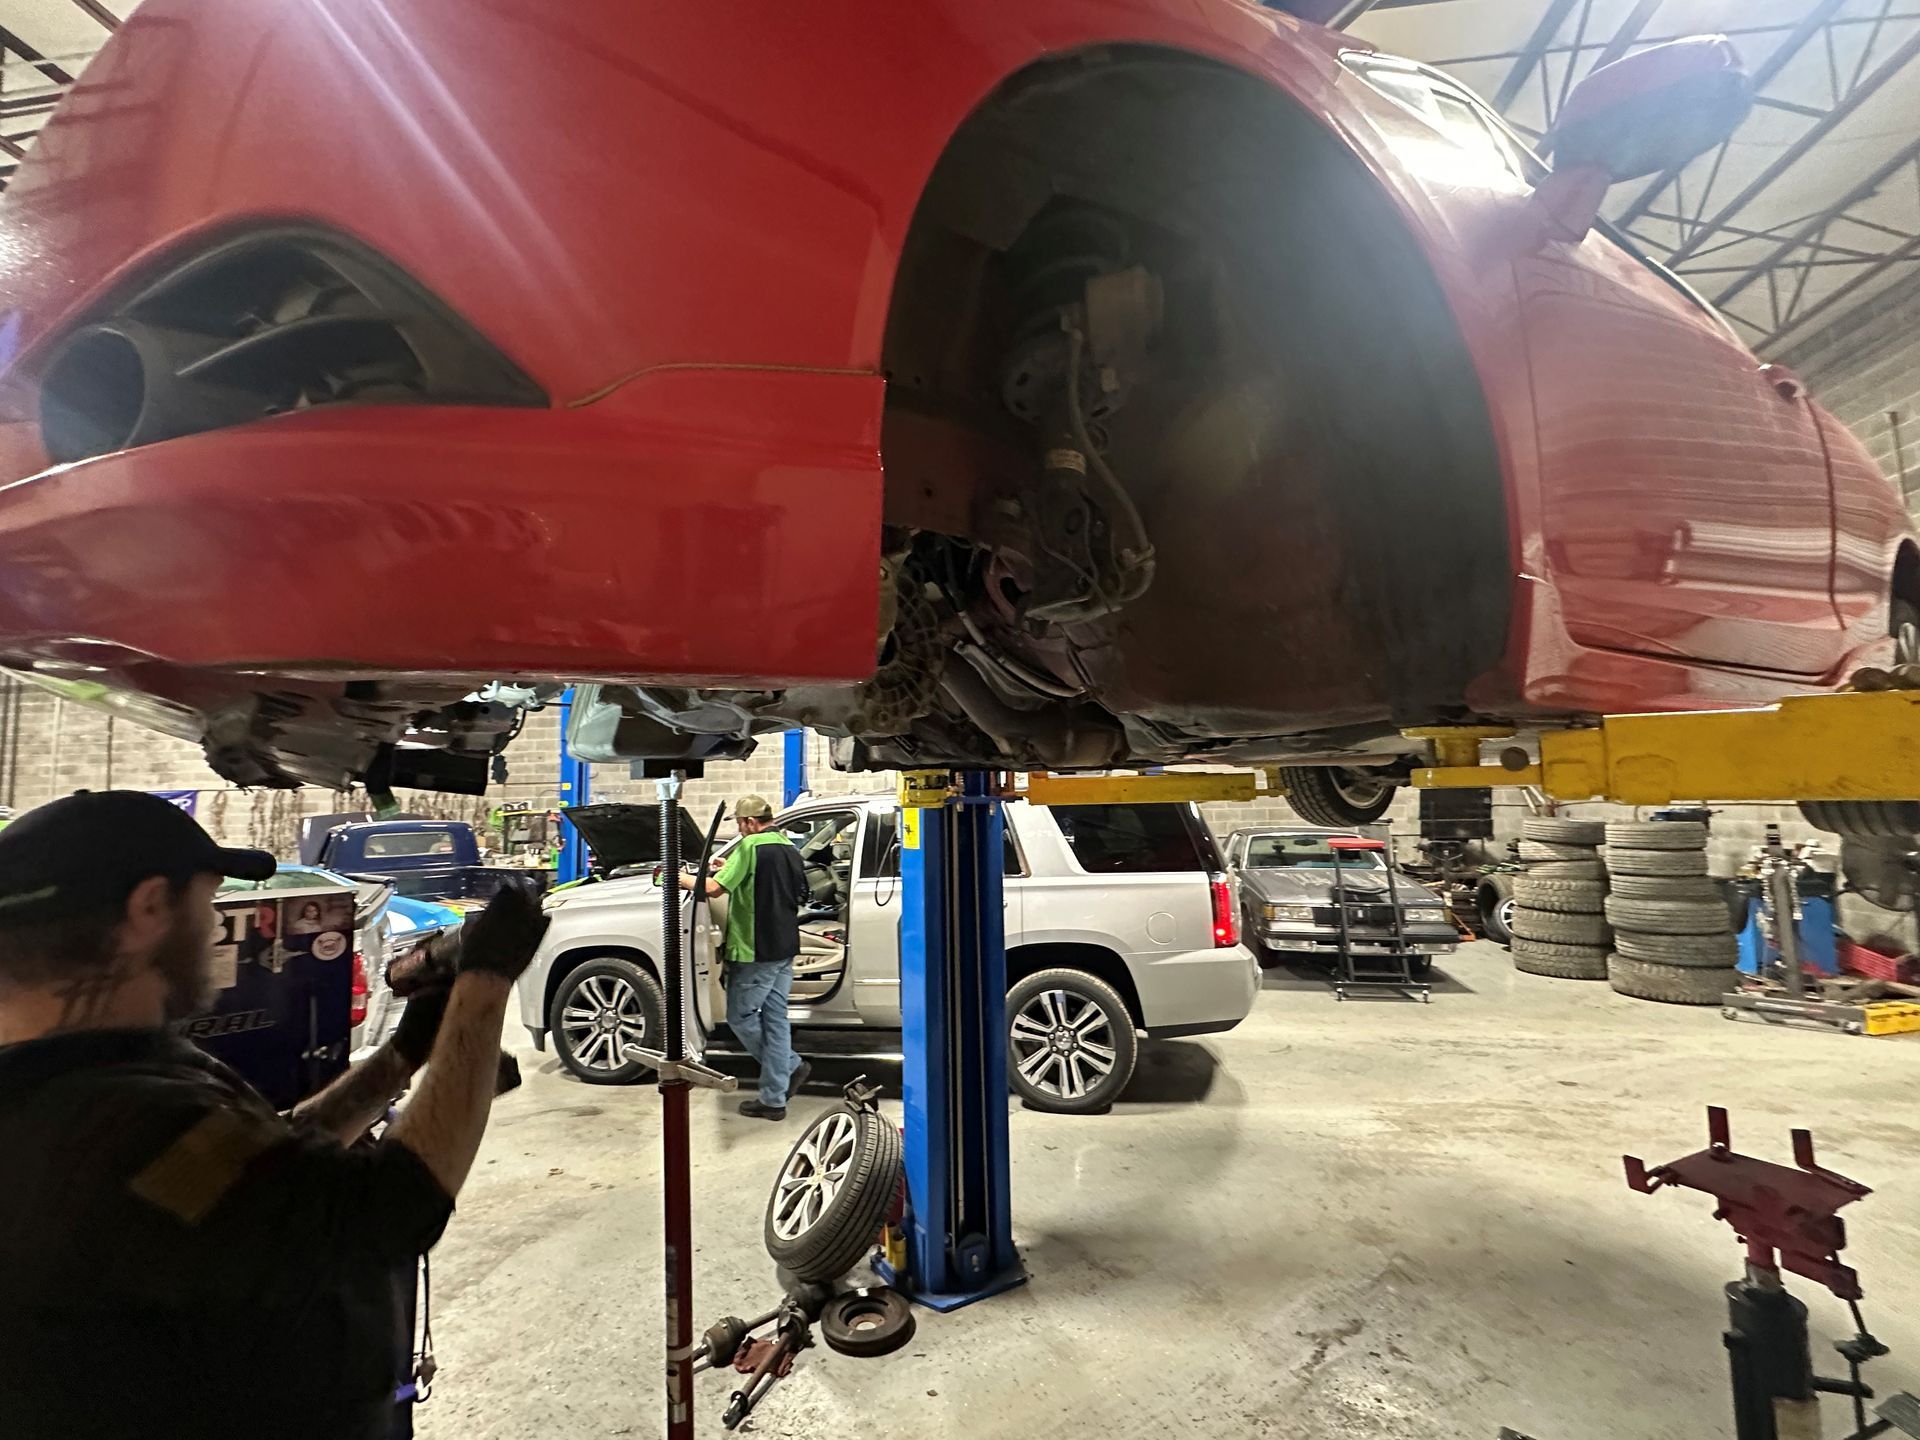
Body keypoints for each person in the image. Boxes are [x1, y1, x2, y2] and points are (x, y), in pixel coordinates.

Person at [0, 790, 549, 1440]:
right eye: (205, 904)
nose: (212, 928)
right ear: (149, 908)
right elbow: (393, 1207)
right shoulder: (101, 1122)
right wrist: (486, 983)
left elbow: (261, 1159)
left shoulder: (87, 1075)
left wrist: (403, 1056)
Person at [680, 793, 810, 1119]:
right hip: (783, 947)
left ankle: (789, 1067)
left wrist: (671, 876)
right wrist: (727, 867)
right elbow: (772, 881)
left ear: (750, 822)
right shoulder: (787, 846)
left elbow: (712, 890)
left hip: (756, 949)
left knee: (740, 1017)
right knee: (776, 1019)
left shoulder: (749, 847)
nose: (739, 830)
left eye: (739, 824)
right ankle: (773, 1100)